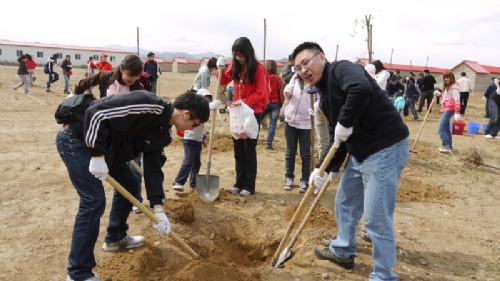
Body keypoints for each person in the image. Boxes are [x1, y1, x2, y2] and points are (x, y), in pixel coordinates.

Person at [57, 89, 210, 281]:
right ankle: (77, 273)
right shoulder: (147, 103)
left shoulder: (162, 133)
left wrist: (158, 209)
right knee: (93, 201)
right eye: (194, 124)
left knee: (130, 183)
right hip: (77, 140)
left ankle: (115, 238)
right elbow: (96, 113)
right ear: (186, 114)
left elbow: (153, 170)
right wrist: (96, 155)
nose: (190, 129)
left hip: (108, 150)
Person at [290, 42, 409, 280]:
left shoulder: (341, 69)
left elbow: (361, 88)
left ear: (322, 57)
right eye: (297, 68)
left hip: (385, 147)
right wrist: (323, 169)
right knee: (345, 201)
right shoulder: (324, 99)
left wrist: (344, 122)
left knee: (376, 218)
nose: (303, 70)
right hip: (360, 153)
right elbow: (339, 139)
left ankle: (384, 274)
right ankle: (343, 251)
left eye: (306, 62)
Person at [217, 37, 267, 197]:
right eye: (236, 55)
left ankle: (249, 185)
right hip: (238, 113)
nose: (239, 58)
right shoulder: (235, 67)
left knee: (249, 149)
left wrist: (243, 102)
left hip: (252, 113)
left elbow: (260, 92)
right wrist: (219, 68)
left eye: (241, 55)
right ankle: (238, 183)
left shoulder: (258, 69)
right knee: (238, 149)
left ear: (248, 53)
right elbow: (224, 78)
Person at [172, 89, 221, 190]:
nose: (206, 104)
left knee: (196, 163)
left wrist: (204, 138)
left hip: (197, 141)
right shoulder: (194, 111)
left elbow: (201, 128)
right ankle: (178, 182)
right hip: (189, 140)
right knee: (188, 162)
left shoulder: (202, 115)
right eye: (205, 101)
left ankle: (193, 184)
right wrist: (211, 106)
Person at [282, 73, 312, 192]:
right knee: (290, 152)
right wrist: (287, 89)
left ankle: (305, 180)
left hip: (306, 123)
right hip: (290, 122)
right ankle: (289, 177)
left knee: (305, 154)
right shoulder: (294, 80)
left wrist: (315, 107)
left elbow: (320, 99)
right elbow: (287, 96)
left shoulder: (315, 83)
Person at [435, 71, 461, 153]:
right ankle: (449, 147)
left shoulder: (454, 88)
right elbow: (447, 97)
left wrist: (457, 112)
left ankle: (446, 146)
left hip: (449, 109)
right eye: (445, 78)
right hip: (444, 108)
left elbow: (457, 100)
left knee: (441, 129)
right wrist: (439, 94)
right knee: (446, 129)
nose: (446, 79)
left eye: (448, 77)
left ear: (451, 78)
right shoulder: (447, 87)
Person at [263, 60, 284, 150]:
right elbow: (282, 89)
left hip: (265, 102)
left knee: (256, 120)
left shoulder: (264, 77)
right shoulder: (278, 78)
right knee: (273, 124)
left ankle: (252, 140)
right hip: (276, 103)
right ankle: (268, 144)